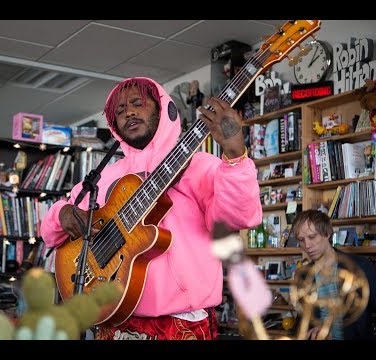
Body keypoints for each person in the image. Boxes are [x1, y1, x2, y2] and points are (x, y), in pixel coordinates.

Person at [40, 77, 261, 340]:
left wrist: (235, 157)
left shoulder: (200, 165)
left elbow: (239, 217)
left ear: (161, 109)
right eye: (119, 111)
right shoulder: (105, 177)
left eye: (138, 103)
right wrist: (61, 214)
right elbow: (51, 234)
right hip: (114, 322)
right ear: (113, 125)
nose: (129, 112)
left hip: (183, 323)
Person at [291, 209, 376, 340]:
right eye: (301, 240)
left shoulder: (361, 267)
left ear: (328, 233)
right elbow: (302, 323)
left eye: (312, 237)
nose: (307, 245)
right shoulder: (302, 275)